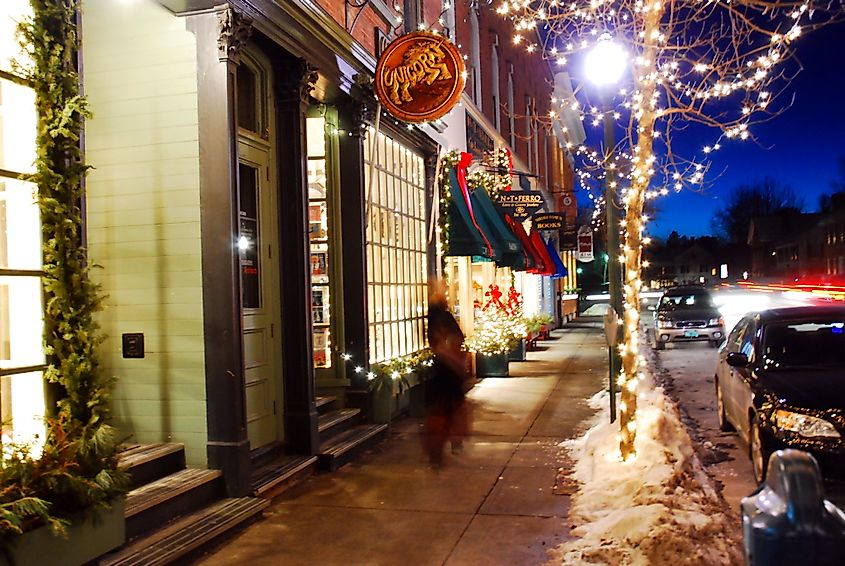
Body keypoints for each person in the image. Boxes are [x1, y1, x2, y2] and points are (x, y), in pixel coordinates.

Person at [424, 278, 470, 467]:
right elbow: (459, 336)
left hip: (442, 370)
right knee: (451, 408)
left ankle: (439, 450)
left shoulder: (435, 318)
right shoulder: (443, 317)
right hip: (449, 370)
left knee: (441, 410)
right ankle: (453, 442)